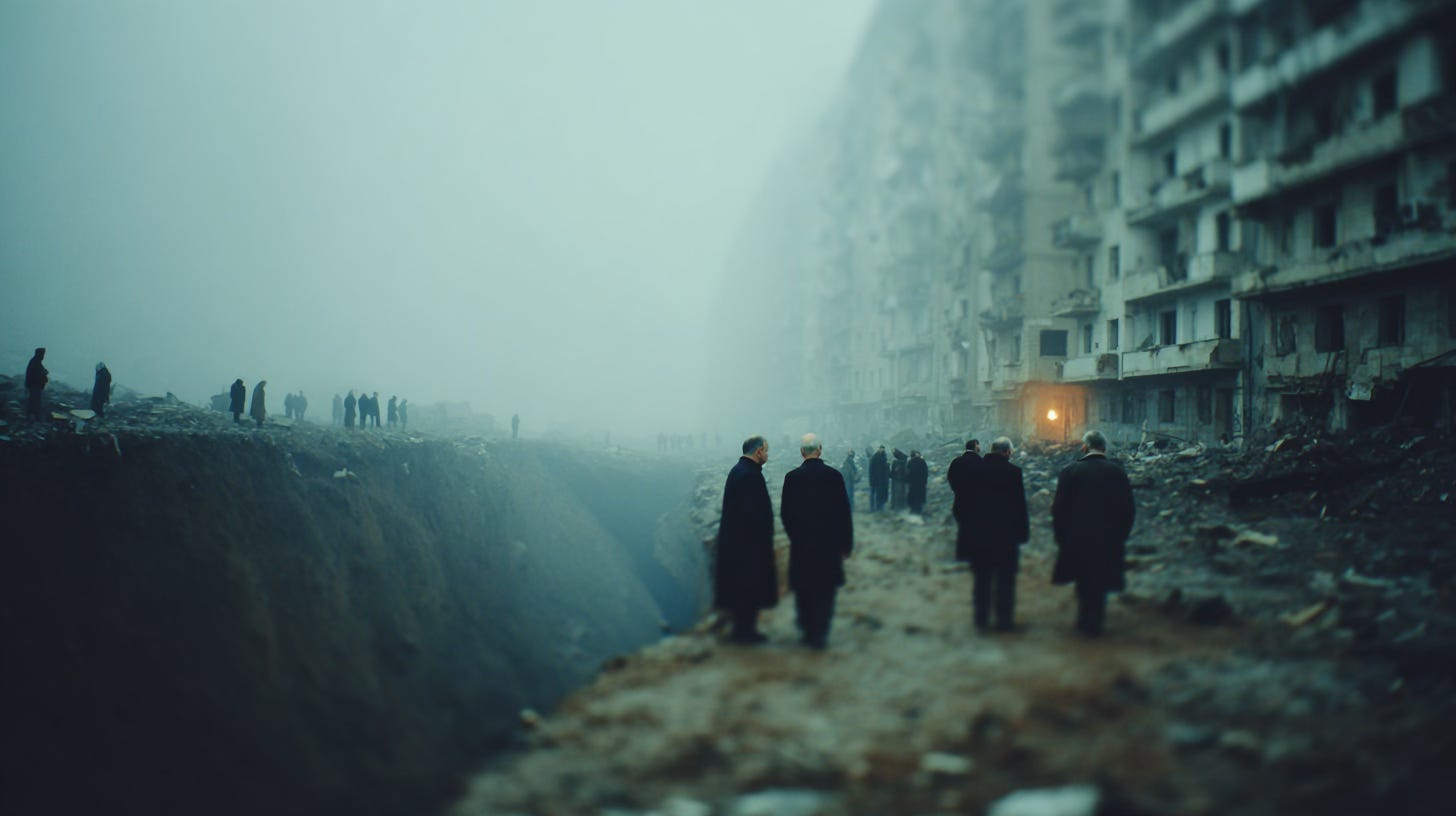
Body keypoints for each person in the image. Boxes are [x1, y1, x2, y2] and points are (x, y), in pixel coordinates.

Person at [1052, 430, 1136, 636]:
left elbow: (1058, 510)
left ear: (1084, 447)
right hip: (1107, 539)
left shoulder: (1070, 471)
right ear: (1104, 448)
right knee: (1100, 579)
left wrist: (1062, 537)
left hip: (1077, 537)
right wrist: (1120, 536)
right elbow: (1128, 509)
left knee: (1083, 579)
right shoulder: (1117, 473)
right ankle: (1095, 620)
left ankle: (1084, 619)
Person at [780, 433, 853, 649]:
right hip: (828, 545)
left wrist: (795, 536)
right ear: (820, 449)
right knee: (826, 588)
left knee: (804, 587)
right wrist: (846, 544)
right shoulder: (834, 476)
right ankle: (820, 633)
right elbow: (843, 513)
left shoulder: (791, 478)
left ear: (802, 452)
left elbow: (786, 513)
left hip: (802, 545)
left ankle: (806, 629)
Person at [958, 437, 1028, 632]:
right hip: (1006, 536)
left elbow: (966, 504)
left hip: (979, 535)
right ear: (1006, 452)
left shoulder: (975, 471)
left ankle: (981, 619)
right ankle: (1004, 620)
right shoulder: (1013, 472)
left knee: (982, 579)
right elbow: (1019, 507)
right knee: (1005, 580)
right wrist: (1022, 534)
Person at [714, 435, 777, 644]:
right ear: (758, 451)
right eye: (766, 450)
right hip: (748, 547)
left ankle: (743, 630)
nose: (768, 455)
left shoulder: (739, 471)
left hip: (739, 544)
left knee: (743, 589)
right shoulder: (750, 476)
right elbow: (753, 515)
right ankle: (745, 634)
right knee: (748, 589)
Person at [947, 439, 982, 557]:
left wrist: (957, 490)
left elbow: (950, 477)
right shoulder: (980, 462)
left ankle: (962, 554)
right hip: (976, 500)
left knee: (963, 527)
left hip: (960, 499)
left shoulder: (957, 461)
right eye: (979, 445)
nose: (980, 447)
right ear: (975, 446)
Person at [24, 347, 48, 421]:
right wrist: (44, 373)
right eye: (42, 354)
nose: (43, 356)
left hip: (35, 386)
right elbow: (35, 375)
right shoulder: (35, 362)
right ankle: (33, 417)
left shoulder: (36, 362)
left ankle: (32, 416)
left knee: (34, 401)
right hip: (35, 386)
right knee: (34, 402)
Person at [906, 450, 929, 515]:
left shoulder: (910, 462)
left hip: (913, 483)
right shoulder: (922, 461)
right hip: (921, 483)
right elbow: (925, 472)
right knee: (920, 497)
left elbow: (908, 473)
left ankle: (913, 510)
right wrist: (925, 481)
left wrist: (908, 481)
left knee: (913, 496)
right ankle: (919, 510)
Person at [869, 446, 889, 512]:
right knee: (874, 494)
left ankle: (879, 507)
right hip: (875, 479)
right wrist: (872, 478)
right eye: (881, 449)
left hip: (881, 480)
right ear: (878, 449)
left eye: (883, 449)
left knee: (879, 494)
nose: (882, 450)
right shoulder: (875, 457)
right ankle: (872, 508)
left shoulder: (883, 457)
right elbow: (871, 469)